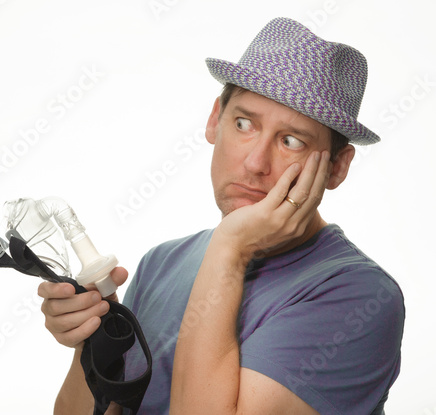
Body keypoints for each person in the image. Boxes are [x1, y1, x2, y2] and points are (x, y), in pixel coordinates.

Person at [38, 17, 405, 415]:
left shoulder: (359, 297)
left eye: (291, 140)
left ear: (336, 167)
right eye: (244, 123)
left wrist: (230, 247)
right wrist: (99, 336)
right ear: (216, 120)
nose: (255, 162)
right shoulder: (161, 264)